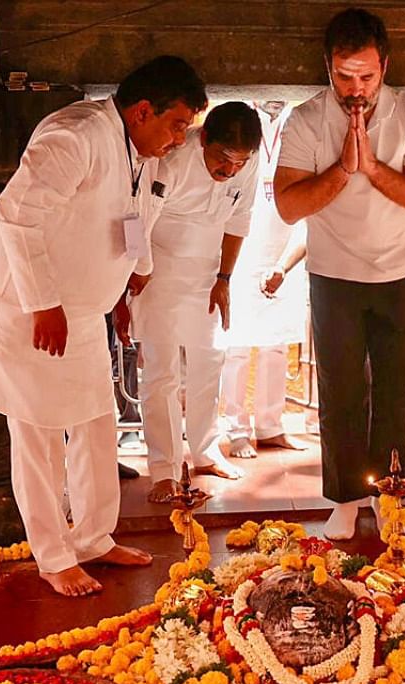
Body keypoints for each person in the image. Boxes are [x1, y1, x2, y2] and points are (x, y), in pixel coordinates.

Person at [0, 56, 207, 597]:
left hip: (84, 309)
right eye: (177, 124)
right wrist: (43, 303)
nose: (180, 138)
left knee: (95, 420)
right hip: (26, 308)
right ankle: (53, 555)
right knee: (39, 434)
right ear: (143, 111)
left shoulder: (140, 150)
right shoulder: (76, 135)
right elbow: (17, 214)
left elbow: (134, 216)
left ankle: (93, 537)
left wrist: (128, 283)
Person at [274, 7, 405, 540]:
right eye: (345, 76)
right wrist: (343, 170)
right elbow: (288, 205)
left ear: (384, 66)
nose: (357, 89)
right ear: (328, 68)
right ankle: (346, 500)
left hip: (399, 274)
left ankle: (390, 493)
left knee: (398, 391)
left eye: (367, 76)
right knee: (343, 391)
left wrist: (372, 168)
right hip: (333, 276)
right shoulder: (306, 121)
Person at [135, 102, 261, 503]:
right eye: (223, 160)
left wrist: (224, 278)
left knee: (210, 359)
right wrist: (132, 278)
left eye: (239, 163)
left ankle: (205, 449)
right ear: (204, 137)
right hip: (155, 271)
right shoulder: (169, 158)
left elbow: (239, 221)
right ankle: (164, 469)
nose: (230, 171)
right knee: (162, 372)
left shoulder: (247, 164)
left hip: (208, 273)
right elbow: (135, 220)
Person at [220, 100, 310, 460]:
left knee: (277, 345)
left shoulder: (299, 118)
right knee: (236, 347)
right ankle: (236, 429)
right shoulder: (242, 116)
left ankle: (271, 425)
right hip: (243, 246)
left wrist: (285, 262)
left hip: (285, 243)